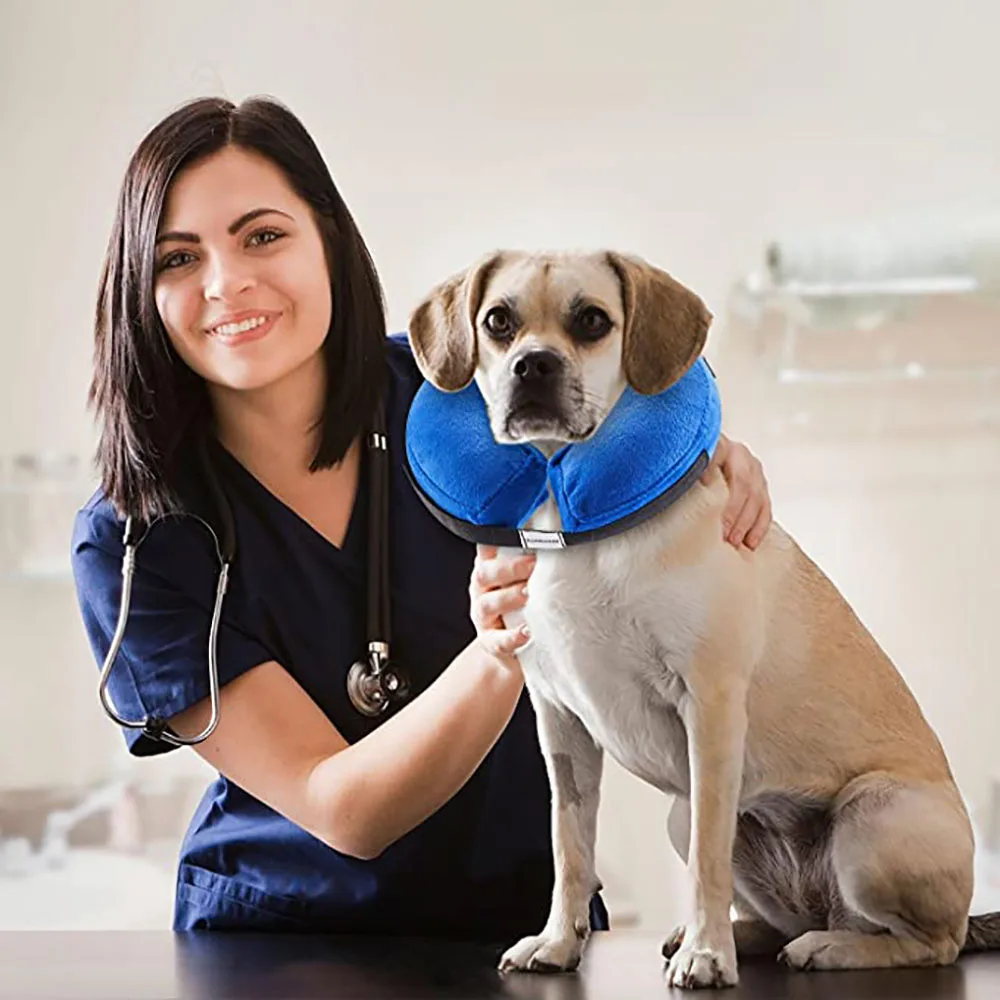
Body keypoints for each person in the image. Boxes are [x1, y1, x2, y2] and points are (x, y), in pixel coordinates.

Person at [71, 96, 773, 943]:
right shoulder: (135, 541)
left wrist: (705, 461)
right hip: (281, 947)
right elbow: (343, 809)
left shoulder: (461, 397)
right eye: (179, 257)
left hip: (528, 926)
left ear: (329, 238)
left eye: (262, 236)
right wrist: (505, 647)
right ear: (140, 291)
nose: (226, 283)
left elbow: (631, 405)